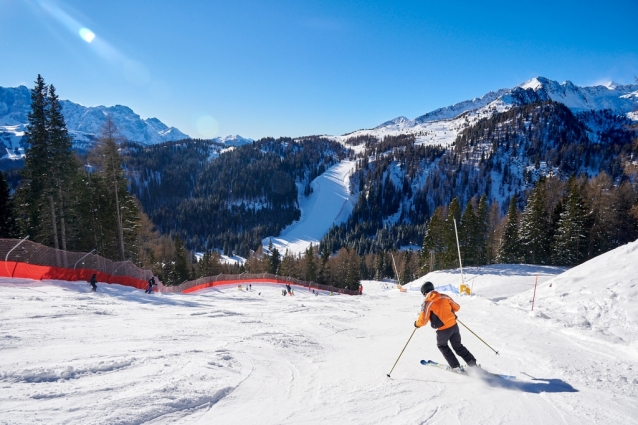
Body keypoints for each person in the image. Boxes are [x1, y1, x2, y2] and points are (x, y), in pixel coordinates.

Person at [414, 281, 477, 370]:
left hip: (443, 330)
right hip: (454, 326)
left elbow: (423, 321)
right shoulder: (444, 296)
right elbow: (457, 307)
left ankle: (456, 367)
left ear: (424, 292)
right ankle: (473, 364)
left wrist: (417, 324)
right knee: (458, 346)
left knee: (442, 345)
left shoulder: (427, 303)